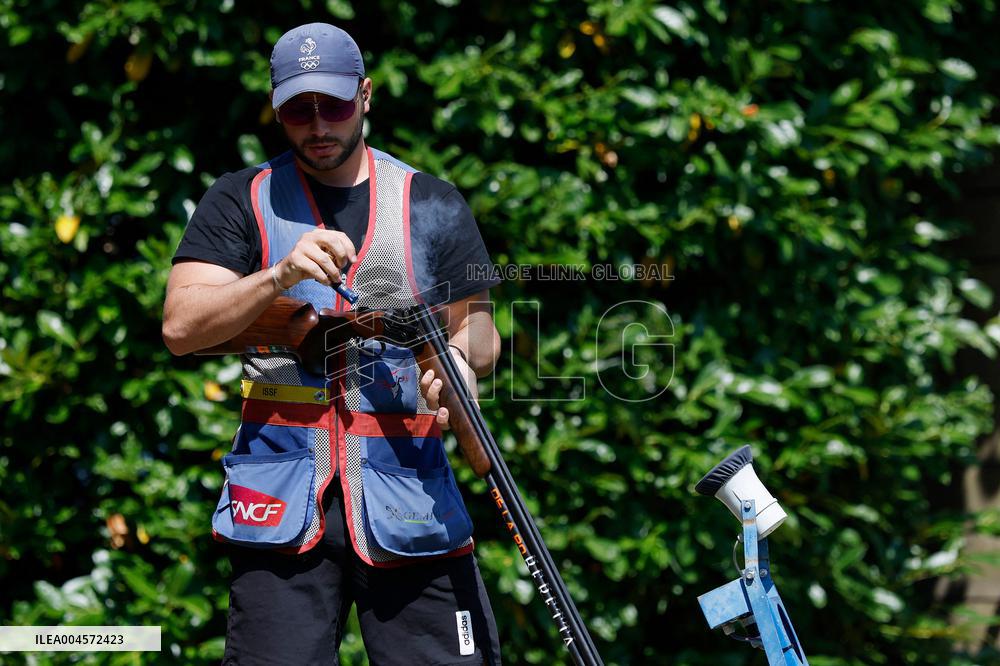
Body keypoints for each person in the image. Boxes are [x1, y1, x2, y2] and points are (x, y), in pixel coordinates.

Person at [162, 22, 503, 666]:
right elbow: (181, 328)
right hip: (280, 507)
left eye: (334, 105)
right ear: (277, 106)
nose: (317, 124)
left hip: (413, 499)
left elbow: (481, 330)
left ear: (365, 95)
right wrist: (278, 276)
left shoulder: (430, 199)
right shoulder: (240, 199)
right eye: (297, 109)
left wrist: (460, 357)